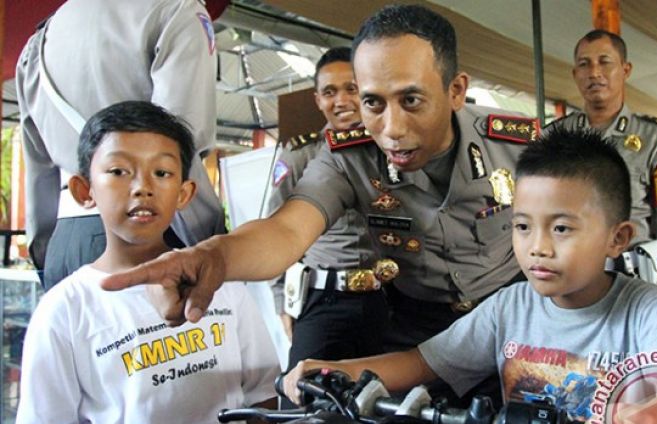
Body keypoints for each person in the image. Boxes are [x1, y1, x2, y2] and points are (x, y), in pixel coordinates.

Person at [282, 128, 657, 424]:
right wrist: (336, 371)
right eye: (523, 227)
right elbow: (422, 362)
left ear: (618, 238)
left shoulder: (645, 311)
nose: (537, 248)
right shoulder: (510, 307)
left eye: (562, 228)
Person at [102, 3, 536, 354]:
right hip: (418, 330)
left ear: (456, 90)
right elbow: (287, 228)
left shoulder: (518, 145)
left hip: (518, 314)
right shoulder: (347, 157)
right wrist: (216, 256)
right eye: (373, 103)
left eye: (411, 99)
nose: (392, 128)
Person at [11, 101, 280, 424]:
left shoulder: (220, 285)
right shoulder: (64, 310)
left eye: (162, 172)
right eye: (119, 171)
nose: (143, 187)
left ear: (185, 193)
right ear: (84, 190)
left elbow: (263, 397)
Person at [15, 0, 226, 290]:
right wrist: (214, 247)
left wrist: (47, 254)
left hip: (64, 241)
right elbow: (177, 155)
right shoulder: (176, 10)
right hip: (151, 239)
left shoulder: (38, 43)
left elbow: (39, 172)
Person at [546, 30, 657, 309]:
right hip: (568, 283)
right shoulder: (554, 137)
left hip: (634, 285)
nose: (594, 72)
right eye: (584, 64)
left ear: (625, 70)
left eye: (605, 62)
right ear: (574, 74)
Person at [266, 47, 388, 368]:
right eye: (330, 92)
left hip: (392, 299)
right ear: (318, 100)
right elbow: (274, 230)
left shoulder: (395, 150)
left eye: (352, 88)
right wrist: (282, 301)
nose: (342, 101)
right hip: (326, 299)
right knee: (302, 399)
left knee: (394, 405)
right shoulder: (299, 155)